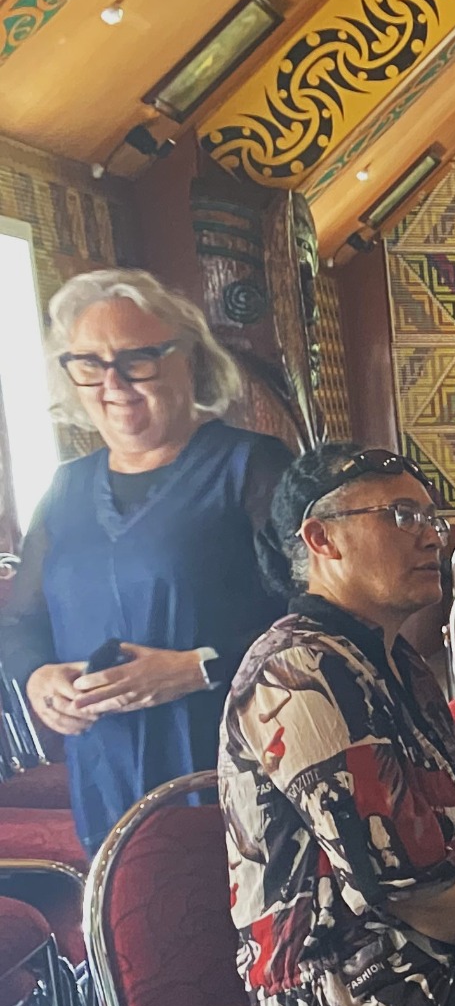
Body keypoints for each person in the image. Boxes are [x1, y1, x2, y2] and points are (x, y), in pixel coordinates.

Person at [221, 446, 455, 1006]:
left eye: (431, 518)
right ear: (321, 538)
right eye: (401, 516)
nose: (431, 537)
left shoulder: (397, 661)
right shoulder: (297, 670)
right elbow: (413, 892)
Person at [0, 267, 290, 852]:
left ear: (189, 360)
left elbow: (317, 615)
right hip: (104, 768)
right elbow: (21, 622)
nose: (114, 382)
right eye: (89, 363)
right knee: (134, 900)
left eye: (137, 359)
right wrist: (37, 677)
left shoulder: (252, 467)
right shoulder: (64, 489)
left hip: (235, 754)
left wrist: (200, 667)